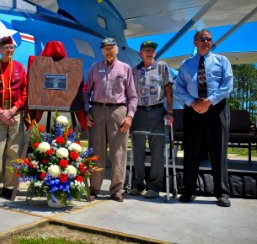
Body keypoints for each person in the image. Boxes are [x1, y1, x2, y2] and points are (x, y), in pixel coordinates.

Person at [175, 29, 233, 207]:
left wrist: (209, 102)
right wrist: (193, 103)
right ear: (194, 42)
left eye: (208, 39)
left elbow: (227, 85)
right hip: (192, 110)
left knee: (219, 152)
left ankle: (222, 193)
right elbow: (179, 88)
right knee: (191, 152)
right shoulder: (186, 64)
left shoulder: (222, 61)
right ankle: (189, 190)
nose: (205, 42)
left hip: (216, 110)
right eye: (202, 39)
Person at [83, 37, 138, 202]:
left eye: (111, 48)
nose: (108, 51)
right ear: (102, 51)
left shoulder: (125, 69)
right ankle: (94, 189)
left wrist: (129, 116)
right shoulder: (95, 68)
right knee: (96, 151)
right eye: (105, 48)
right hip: (97, 111)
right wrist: (87, 111)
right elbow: (86, 91)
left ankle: (116, 190)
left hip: (118, 112)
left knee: (118, 153)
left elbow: (133, 96)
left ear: (117, 49)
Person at [0, 36, 27, 199]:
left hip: (15, 115)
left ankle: (9, 186)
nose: (9, 50)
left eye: (11, 47)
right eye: (6, 47)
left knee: (14, 152)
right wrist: (1, 111)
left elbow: (24, 92)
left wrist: (14, 109)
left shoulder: (20, 68)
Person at [130, 40, 174, 199]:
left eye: (152, 50)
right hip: (139, 112)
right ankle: (138, 184)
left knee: (157, 151)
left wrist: (169, 111)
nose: (149, 52)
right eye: (146, 50)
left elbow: (169, 89)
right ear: (140, 53)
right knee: (138, 150)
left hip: (157, 111)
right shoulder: (134, 70)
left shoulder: (162, 67)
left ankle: (154, 186)